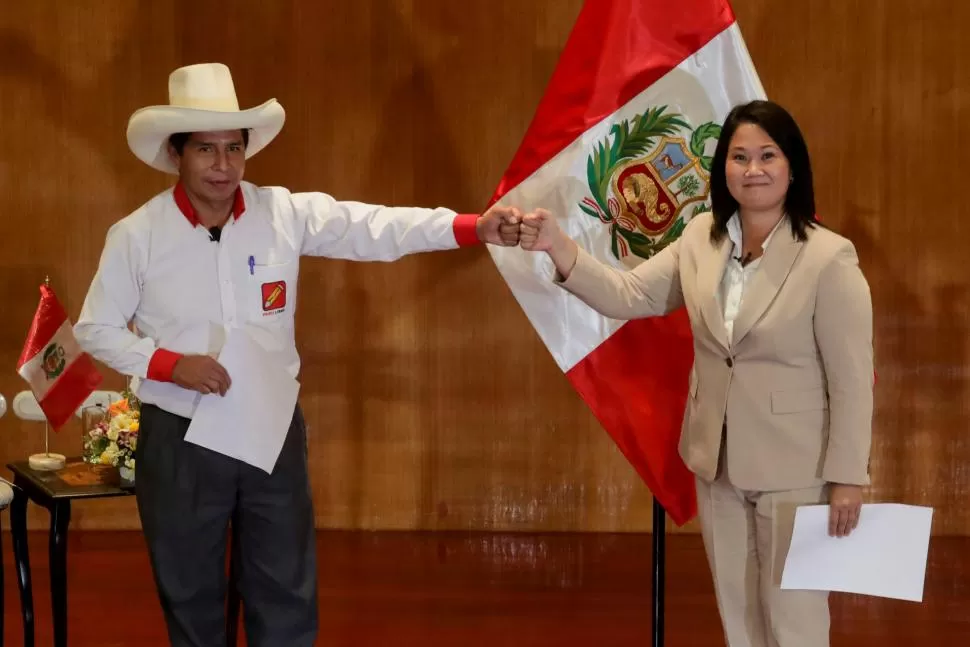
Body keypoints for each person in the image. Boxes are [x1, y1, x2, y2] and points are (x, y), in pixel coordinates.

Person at [74, 62, 520, 647]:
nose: (224, 165)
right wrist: (169, 365)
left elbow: (374, 227)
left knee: (284, 589)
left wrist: (470, 227)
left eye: (235, 149)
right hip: (180, 435)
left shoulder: (282, 213)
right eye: (207, 150)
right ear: (176, 154)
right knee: (190, 596)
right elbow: (95, 327)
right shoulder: (137, 234)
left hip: (270, 430)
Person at [517, 99, 873, 647]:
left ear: (793, 166)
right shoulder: (700, 237)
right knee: (739, 615)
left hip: (797, 468)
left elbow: (851, 380)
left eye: (767, 156)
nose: (752, 170)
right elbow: (630, 294)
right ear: (722, 168)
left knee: (794, 621)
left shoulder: (829, 258)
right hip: (717, 462)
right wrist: (558, 247)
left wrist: (849, 477)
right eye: (738, 157)